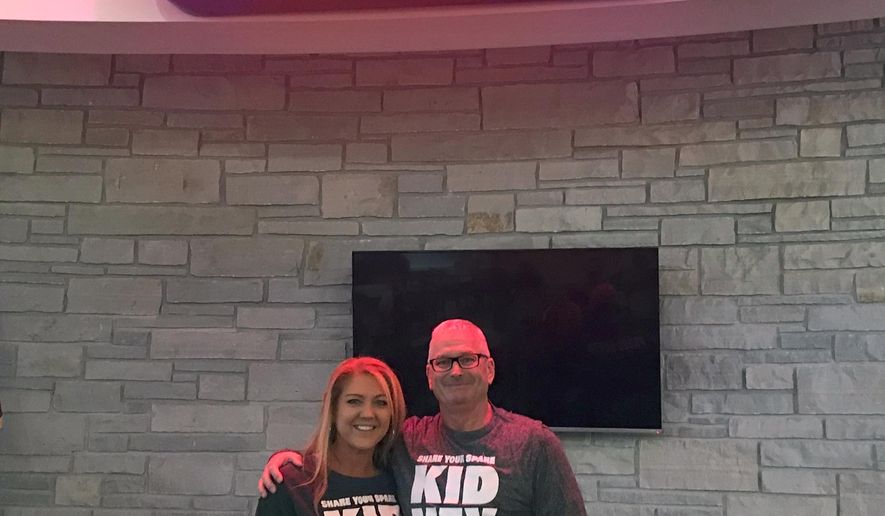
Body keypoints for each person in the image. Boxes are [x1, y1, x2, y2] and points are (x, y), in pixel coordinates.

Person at [260, 319, 587, 515]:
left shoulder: (534, 444)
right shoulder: (405, 440)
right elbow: (353, 442)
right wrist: (290, 461)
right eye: (443, 362)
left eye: (468, 359)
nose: (456, 371)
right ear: (429, 376)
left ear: (489, 369)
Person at [255, 357, 406, 516]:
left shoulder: (403, 479)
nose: (368, 414)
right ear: (332, 407)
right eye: (354, 401)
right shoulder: (292, 483)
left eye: (381, 403)